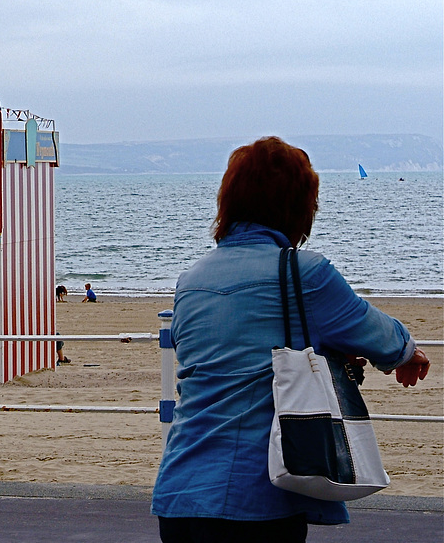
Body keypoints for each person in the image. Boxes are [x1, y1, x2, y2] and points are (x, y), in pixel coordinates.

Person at [151, 136, 430, 543]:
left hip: (180, 491)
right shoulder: (306, 273)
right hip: (258, 497)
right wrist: (408, 353)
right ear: (299, 207)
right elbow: (375, 333)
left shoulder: (191, 281)